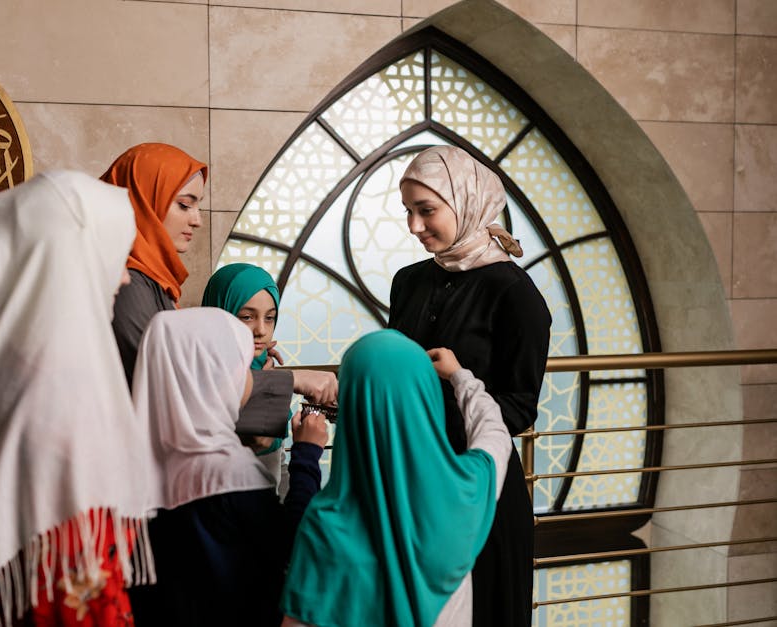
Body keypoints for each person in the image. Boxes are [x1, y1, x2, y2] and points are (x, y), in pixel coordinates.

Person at [0, 171, 157, 627]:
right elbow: (79, 587)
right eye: (116, 255)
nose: (122, 277)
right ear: (67, 259)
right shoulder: (63, 396)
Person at [388, 145, 552, 627]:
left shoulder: (515, 294)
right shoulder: (408, 282)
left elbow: (520, 410)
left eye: (427, 210)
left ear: (468, 202)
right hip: (415, 482)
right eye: (408, 212)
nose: (415, 227)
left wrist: (460, 383)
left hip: (484, 493)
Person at [279, 331, 511, 627]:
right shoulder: (467, 492)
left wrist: (305, 452)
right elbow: (494, 433)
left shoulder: (328, 528)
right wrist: (459, 376)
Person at [99, 143, 336, 420]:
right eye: (184, 205)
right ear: (144, 201)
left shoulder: (152, 281)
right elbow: (175, 387)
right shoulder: (127, 285)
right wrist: (292, 380)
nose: (197, 220)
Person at [128, 308, 328, 626]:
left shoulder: (132, 465)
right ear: (216, 372)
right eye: (241, 365)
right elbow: (295, 547)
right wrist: (306, 455)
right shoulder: (231, 473)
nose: (249, 376)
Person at [201, 262, 290, 481]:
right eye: (247, 317)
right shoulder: (205, 380)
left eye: (269, 318)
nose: (261, 331)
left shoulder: (266, 369)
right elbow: (259, 442)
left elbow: (279, 467)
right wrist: (264, 385)